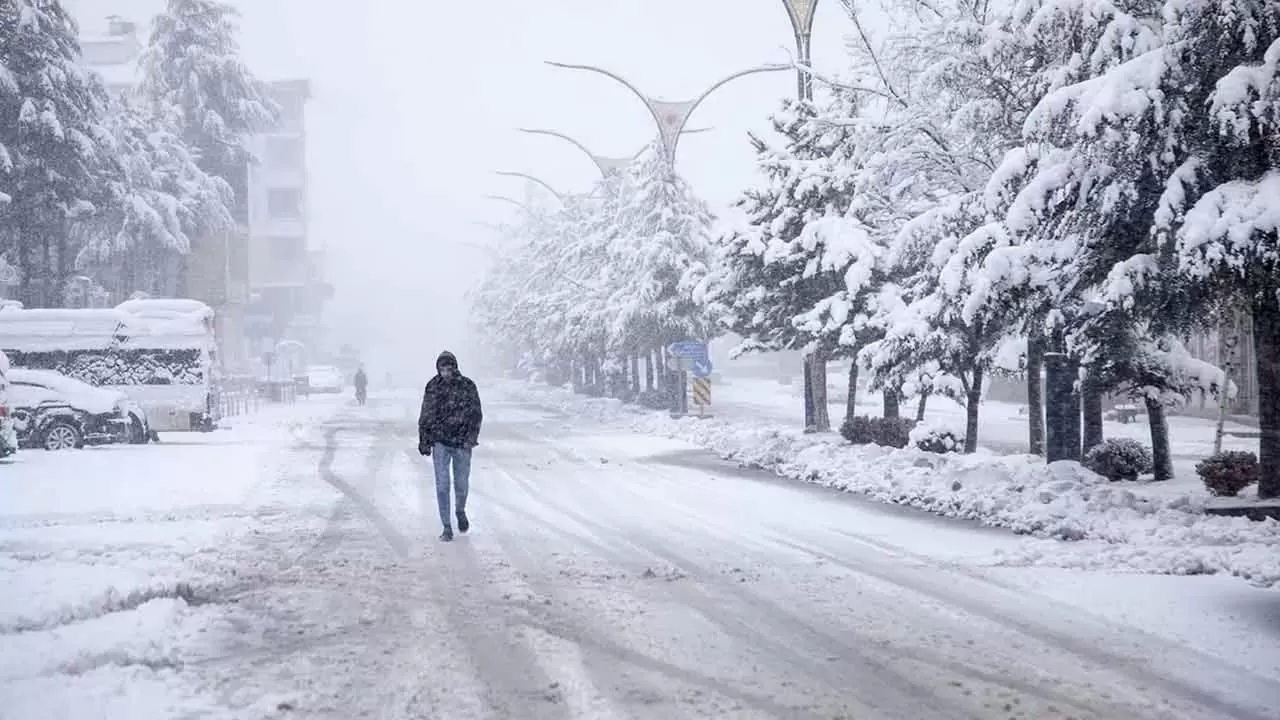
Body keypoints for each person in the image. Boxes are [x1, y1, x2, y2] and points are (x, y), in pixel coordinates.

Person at [417, 351, 483, 542]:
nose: (445, 372)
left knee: (461, 483)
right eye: (442, 369)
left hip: (462, 442)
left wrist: (471, 437)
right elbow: (426, 414)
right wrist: (424, 439)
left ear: (455, 368)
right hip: (440, 442)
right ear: (438, 369)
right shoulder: (433, 387)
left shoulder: (467, 386)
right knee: (442, 485)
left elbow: (476, 414)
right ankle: (446, 526)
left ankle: (460, 510)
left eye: (449, 368)